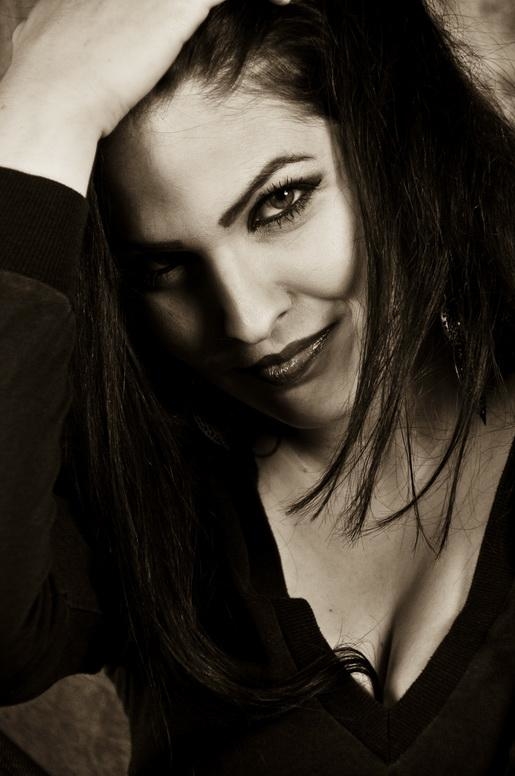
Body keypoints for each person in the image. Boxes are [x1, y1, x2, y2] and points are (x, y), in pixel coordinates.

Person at [1, 0, 515, 772]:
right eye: (163, 267)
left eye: (280, 204)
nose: (245, 319)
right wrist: (42, 107)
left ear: (390, 156)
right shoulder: (148, 505)